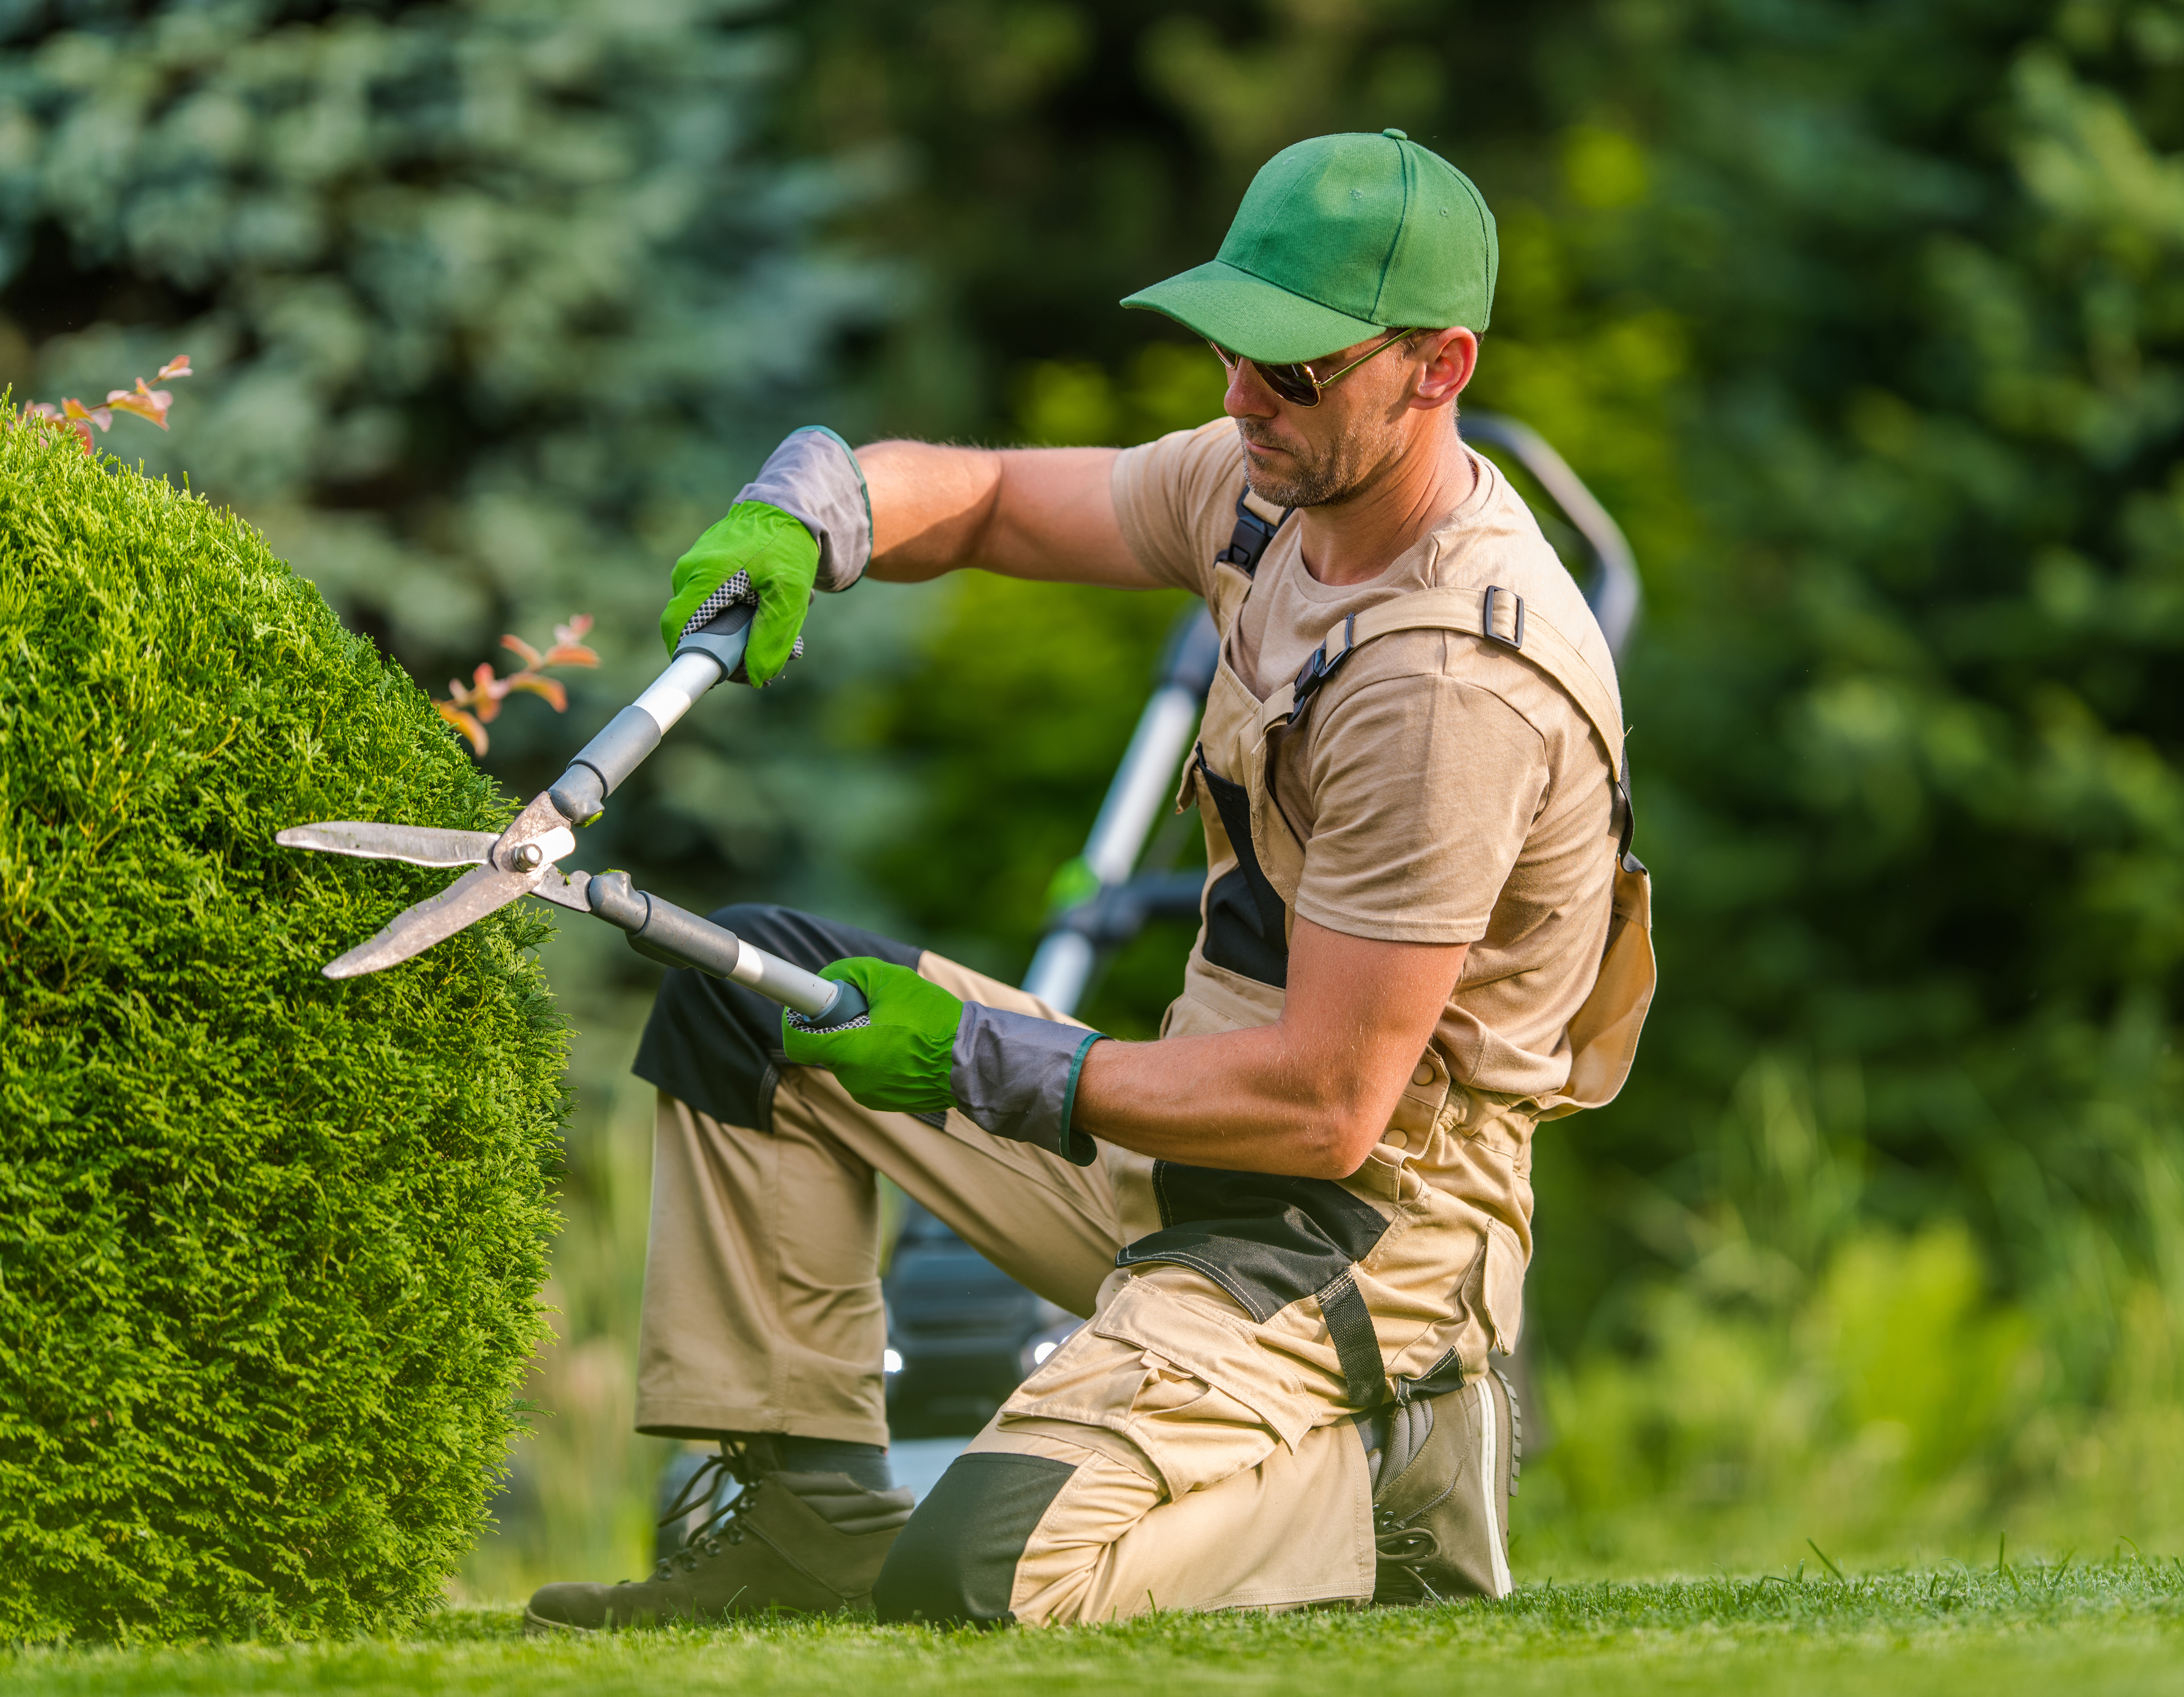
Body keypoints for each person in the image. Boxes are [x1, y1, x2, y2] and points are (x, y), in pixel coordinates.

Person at [524, 126, 1654, 1634]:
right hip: (1181, 1150)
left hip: (1356, 1250)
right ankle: (801, 1531)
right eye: (1232, 349)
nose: (1243, 396)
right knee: (750, 1001)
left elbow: (1326, 1112)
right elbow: (988, 498)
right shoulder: (1273, 493)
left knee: (982, 1580)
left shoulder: (1454, 679)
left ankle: (1378, 1475)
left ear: (1439, 367)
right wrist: (816, 505)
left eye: (1295, 368)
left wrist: (989, 1061)